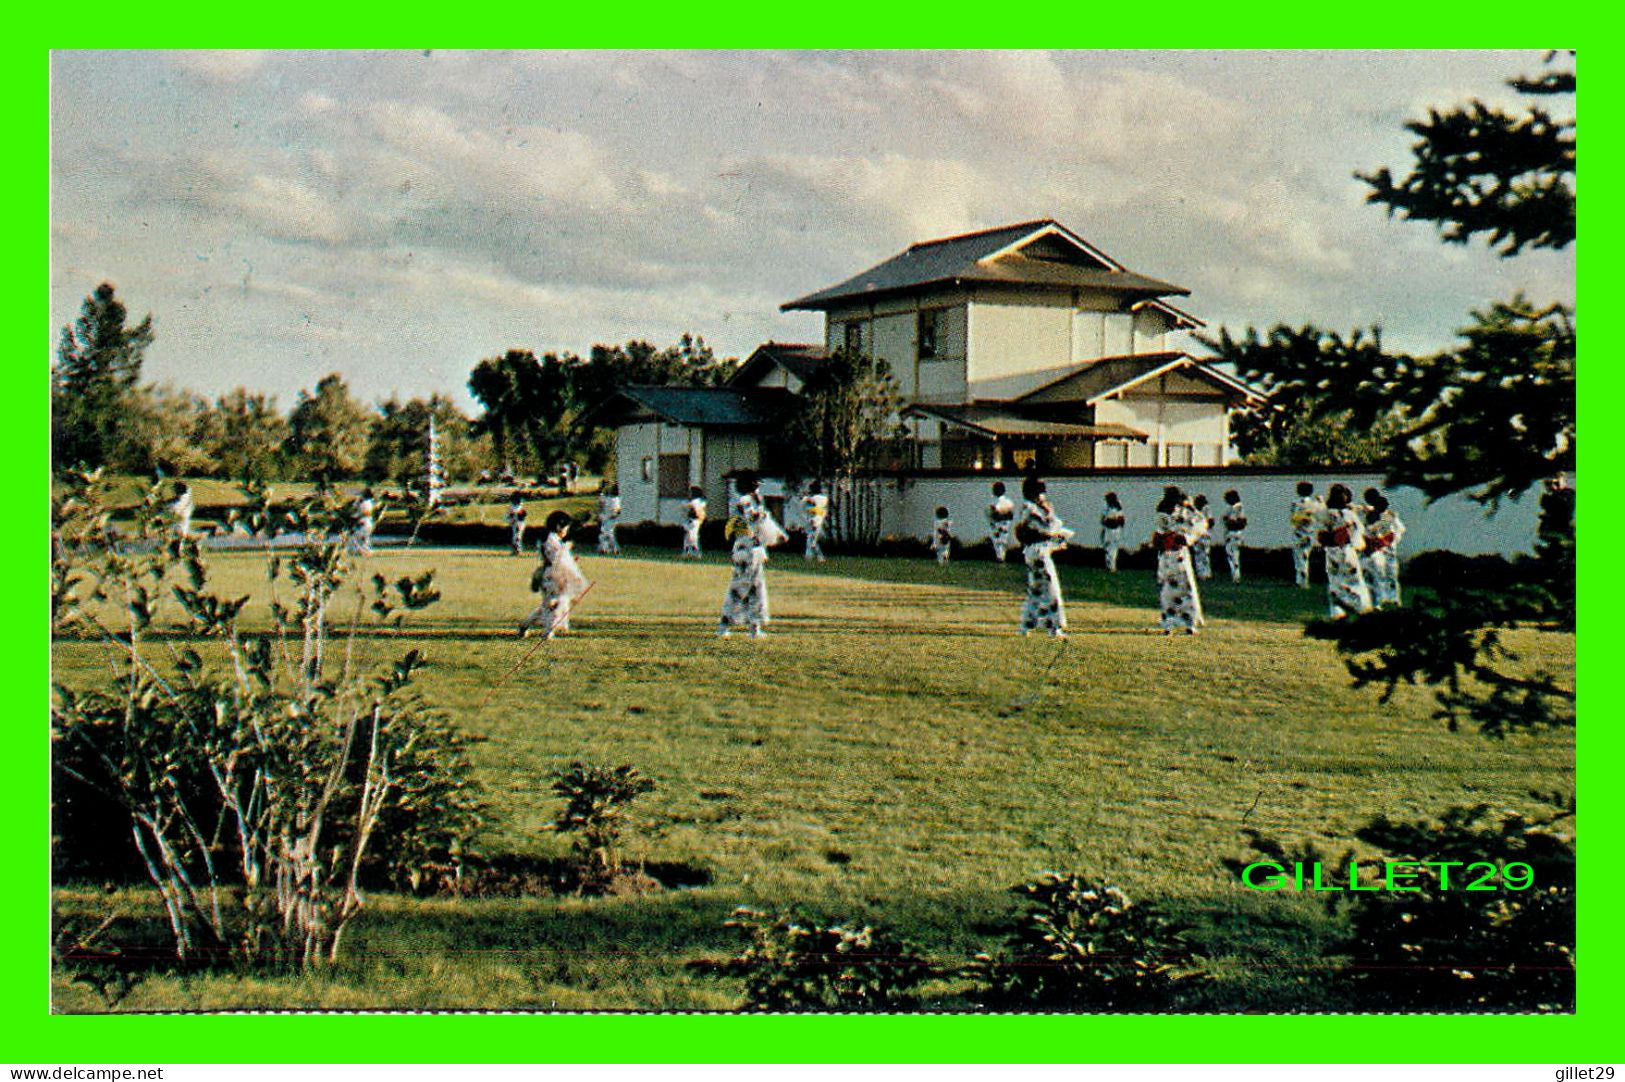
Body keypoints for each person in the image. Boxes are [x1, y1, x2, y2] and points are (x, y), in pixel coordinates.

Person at [520, 511, 591, 639]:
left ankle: (526, 624)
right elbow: (556, 558)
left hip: (549, 574)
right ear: (559, 526)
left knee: (547, 605)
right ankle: (548, 631)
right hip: (554, 576)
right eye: (566, 528)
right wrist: (566, 551)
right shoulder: (552, 540)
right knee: (558, 603)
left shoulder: (549, 538)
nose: (566, 531)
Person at [1017, 477, 1073, 636]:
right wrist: (1050, 513)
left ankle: (1026, 625)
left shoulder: (1028, 509)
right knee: (1052, 590)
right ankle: (1055, 627)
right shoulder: (1032, 510)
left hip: (1033, 552)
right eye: (1041, 492)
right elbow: (1048, 528)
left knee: (1036, 591)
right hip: (1039, 553)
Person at [1152, 486, 1204, 634]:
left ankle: (1178, 621)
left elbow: (1199, 524)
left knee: (1176, 590)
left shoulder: (1178, 512)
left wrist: (1186, 538)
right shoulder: (1168, 512)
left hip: (1172, 555)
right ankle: (1180, 622)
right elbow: (1159, 536)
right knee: (1180, 590)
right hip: (1173, 555)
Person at [1318, 483, 1372, 618]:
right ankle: (1362, 608)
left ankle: (1337, 612)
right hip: (1347, 550)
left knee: (1335, 582)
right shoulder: (1349, 515)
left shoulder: (1326, 514)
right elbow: (1359, 532)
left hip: (1331, 552)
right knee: (1355, 581)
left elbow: (1321, 535)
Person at [1360, 490, 1406, 607]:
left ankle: (1394, 598)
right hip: (1377, 550)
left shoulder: (1390, 516)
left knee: (1391, 575)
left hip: (1389, 549)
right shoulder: (1371, 515)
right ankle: (1380, 599)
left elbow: (1399, 530)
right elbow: (1368, 531)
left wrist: (1391, 539)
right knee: (1378, 575)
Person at [1289, 481, 1325, 588]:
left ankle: (1301, 581)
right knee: (1304, 557)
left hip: (1299, 533)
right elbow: (1322, 514)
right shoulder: (1314, 504)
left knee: (1299, 558)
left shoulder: (1296, 504)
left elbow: (1293, 518)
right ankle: (1302, 580)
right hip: (1310, 533)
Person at [1221, 489, 1247, 583]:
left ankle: (1236, 577)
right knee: (1231, 556)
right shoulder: (1232, 508)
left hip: (1234, 534)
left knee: (1233, 556)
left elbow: (1240, 522)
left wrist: (1229, 521)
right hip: (1230, 535)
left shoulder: (1237, 507)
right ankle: (1235, 576)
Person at [987, 481, 1017, 562]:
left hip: (1001, 525)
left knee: (1000, 542)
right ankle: (1000, 557)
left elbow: (1010, 515)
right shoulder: (1007, 502)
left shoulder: (995, 503)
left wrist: (999, 515)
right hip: (1000, 524)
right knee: (1000, 542)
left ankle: (1001, 557)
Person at [802, 480, 829, 562]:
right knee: (812, 539)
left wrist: (805, 499)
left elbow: (810, 507)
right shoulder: (825, 498)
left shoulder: (813, 498)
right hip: (820, 519)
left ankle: (809, 555)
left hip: (814, 519)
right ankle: (819, 557)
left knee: (811, 538)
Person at [1190, 494, 1215, 580]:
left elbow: (1211, 522)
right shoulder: (1199, 511)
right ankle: (1205, 573)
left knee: (1201, 555)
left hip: (1202, 535)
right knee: (1203, 555)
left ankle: (1203, 574)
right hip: (1202, 535)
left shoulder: (1205, 510)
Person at [1100, 492, 1126, 573]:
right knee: (1110, 549)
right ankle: (1110, 567)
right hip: (1112, 530)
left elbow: (1103, 519)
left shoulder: (1113, 508)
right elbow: (1122, 520)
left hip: (1112, 530)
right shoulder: (1114, 507)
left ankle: (1111, 567)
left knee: (1111, 549)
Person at [682, 485, 707, 559]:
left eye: (690, 492)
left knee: (692, 537)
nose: (689, 493)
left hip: (694, 521)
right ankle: (688, 552)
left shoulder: (696, 501)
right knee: (687, 537)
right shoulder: (700, 501)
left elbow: (688, 506)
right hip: (691, 520)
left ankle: (696, 553)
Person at [349, 487, 376, 556]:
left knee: (356, 537)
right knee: (364, 538)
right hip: (365, 523)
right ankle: (365, 552)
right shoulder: (364, 502)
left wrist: (358, 516)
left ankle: (361, 551)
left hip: (365, 523)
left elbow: (367, 512)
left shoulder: (367, 503)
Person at [597, 484, 621, 554]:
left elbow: (617, 511)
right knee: (606, 534)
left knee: (607, 534)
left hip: (610, 519)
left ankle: (612, 549)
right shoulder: (615, 499)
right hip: (607, 518)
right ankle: (605, 548)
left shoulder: (614, 499)